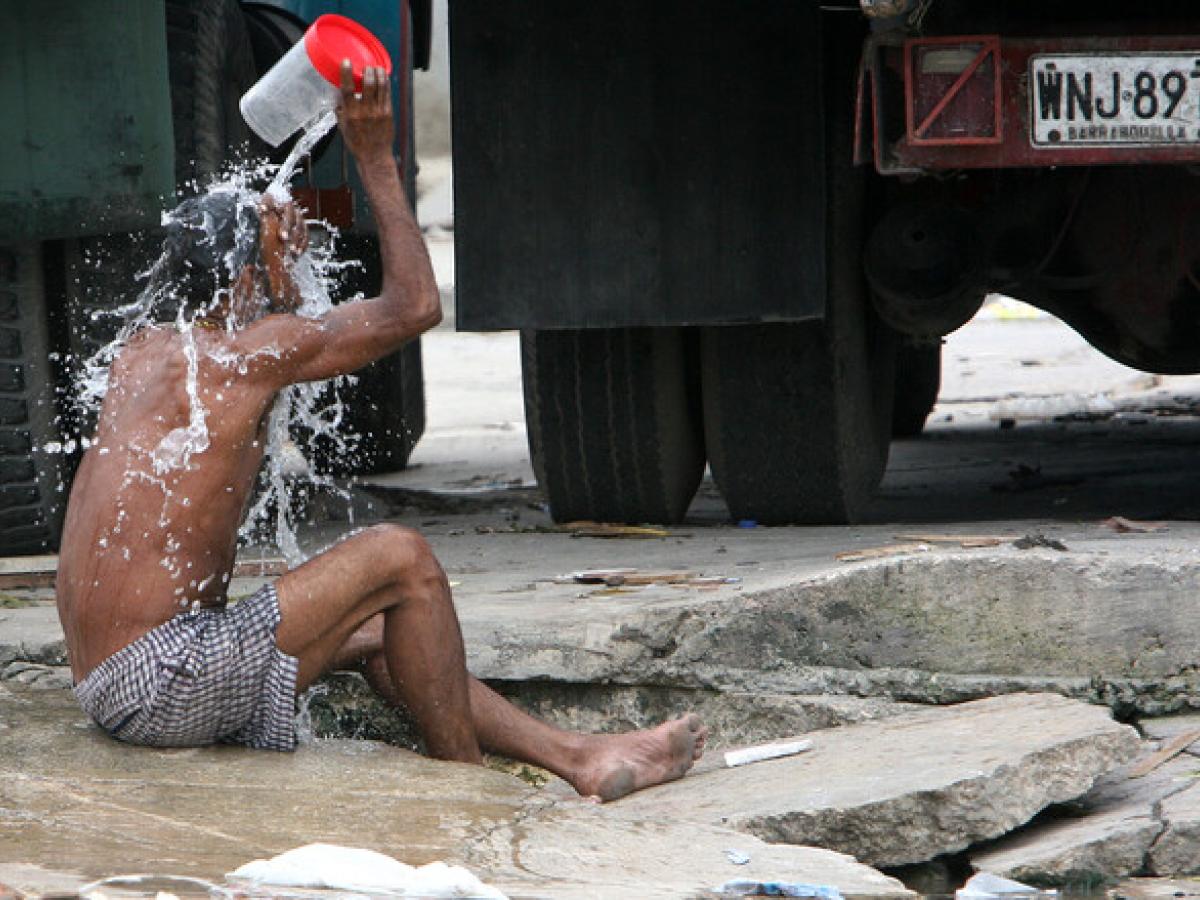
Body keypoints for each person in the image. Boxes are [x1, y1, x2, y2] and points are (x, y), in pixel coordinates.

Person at [55, 62, 706, 802]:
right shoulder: (242, 357)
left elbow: (240, 355)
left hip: (107, 682)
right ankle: (470, 793)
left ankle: (578, 757)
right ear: (240, 280)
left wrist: (277, 269)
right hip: (162, 680)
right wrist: (373, 157)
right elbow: (414, 305)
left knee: (380, 624)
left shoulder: (142, 354)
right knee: (402, 558)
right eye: (272, 251)